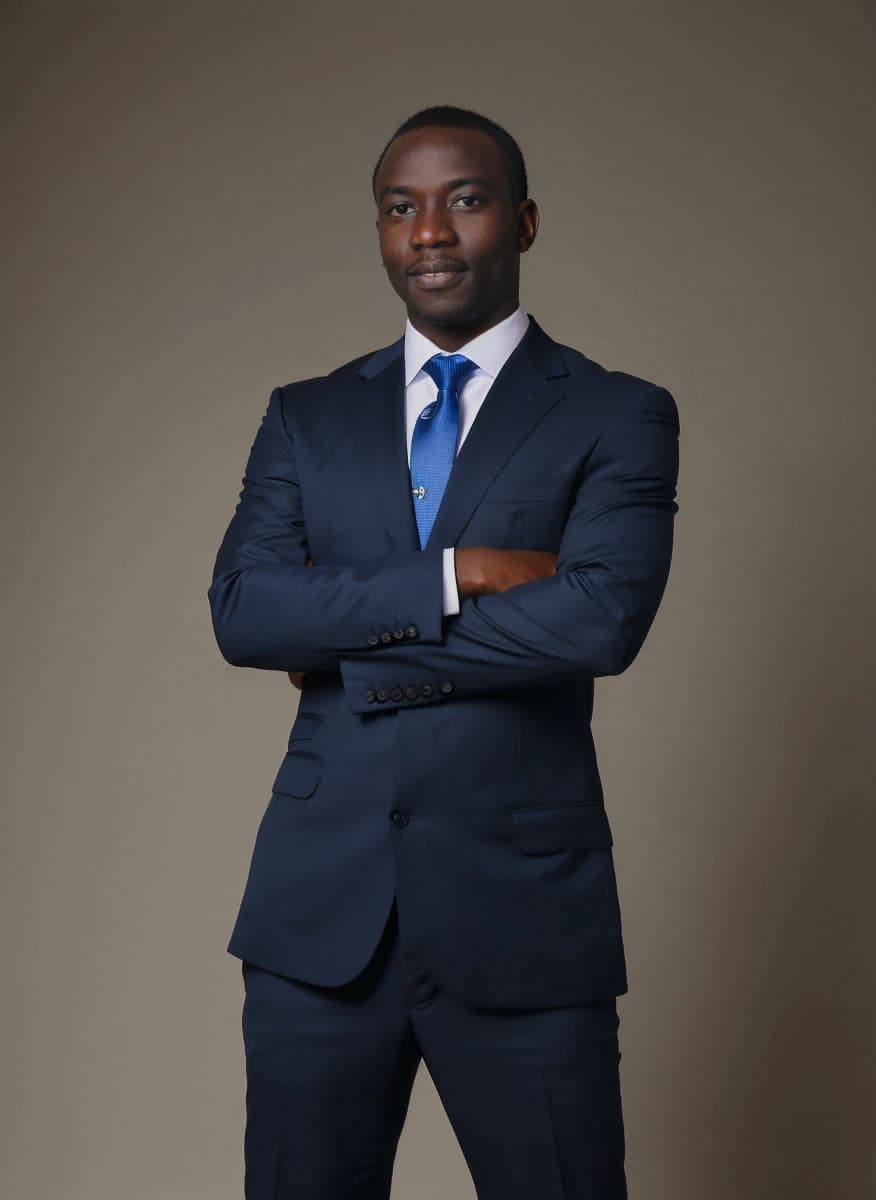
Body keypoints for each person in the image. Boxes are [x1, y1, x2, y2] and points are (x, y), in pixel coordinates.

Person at [207, 103, 680, 1200]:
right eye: (399, 208)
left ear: (520, 221)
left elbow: (597, 621)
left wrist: (347, 648)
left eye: (462, 201)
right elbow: (243, 611)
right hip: (317, 927)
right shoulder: (305, 417)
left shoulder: (615, 413)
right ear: (380, 233)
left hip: (522, 920)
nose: (428, 231)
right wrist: (451, 574)